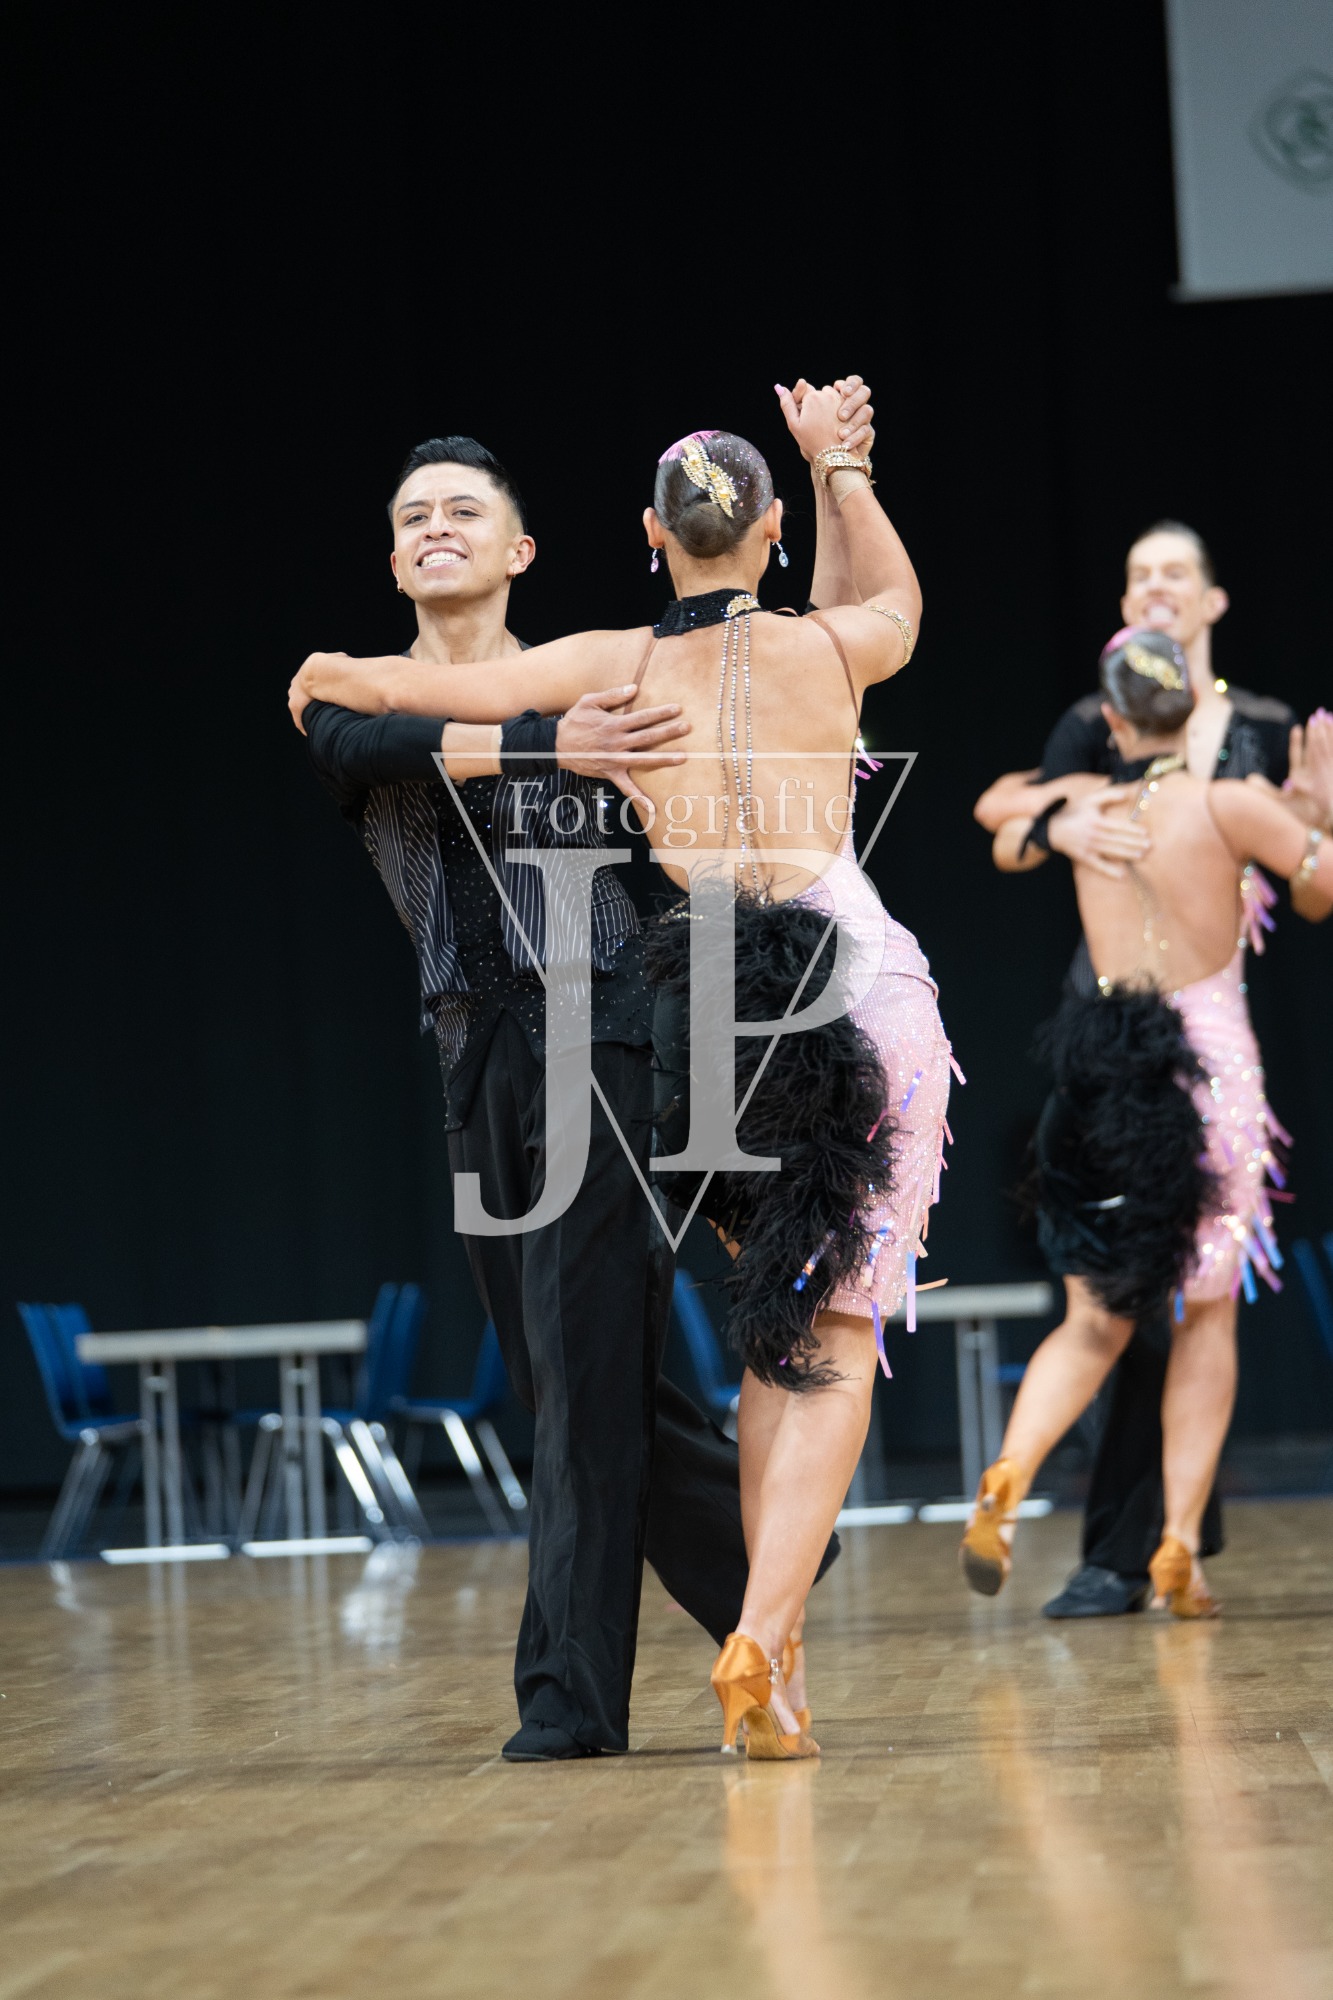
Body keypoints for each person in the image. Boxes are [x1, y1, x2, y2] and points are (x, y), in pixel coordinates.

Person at [290, 381, 956, 1759]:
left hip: (674, 1007)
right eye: (414, 517)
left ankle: (649, 1673)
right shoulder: (796, 650)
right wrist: (840, 470)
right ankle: (763, 1621)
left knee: (731, 1334)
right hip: (790, 980)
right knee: (778, 1337)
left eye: (460, 510)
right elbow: (881, 606)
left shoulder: (601, 664)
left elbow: (371, 693)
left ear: (631, 540)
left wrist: (336, 673)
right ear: (766, 532)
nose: (435, 528)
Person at [972, 522, 1328, 1619]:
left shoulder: (1085, 805)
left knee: (1092, 1315)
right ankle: (1176, 1539)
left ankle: (1007, 1473)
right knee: (1206, 1314)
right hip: (1205, 1070)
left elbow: (1002, 822)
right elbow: (1316, 886)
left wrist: (1052, 820)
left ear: (1113, 721)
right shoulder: (1227, 797)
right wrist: (1314, 821)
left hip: (1098, 1070)